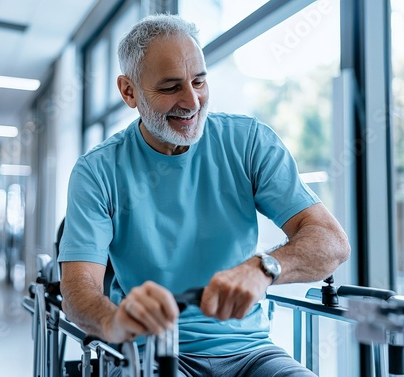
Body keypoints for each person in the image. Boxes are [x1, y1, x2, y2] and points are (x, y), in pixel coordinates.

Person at [58, 13, 350, 377]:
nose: (192, 101)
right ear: (128, 91)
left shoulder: (248, 142)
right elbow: (76, 289)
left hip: (251, 353)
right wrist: (113, 321)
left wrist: (263, 268)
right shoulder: (97, 171)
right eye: (170, 88)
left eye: (199, 81)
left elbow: (332, 242)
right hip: (153, 353)